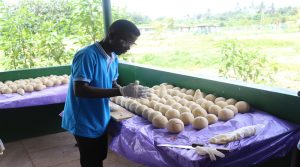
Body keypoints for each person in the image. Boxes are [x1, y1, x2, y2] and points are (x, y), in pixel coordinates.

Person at [62, 19, 148, 167]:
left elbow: (112, 83)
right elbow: (80, 89)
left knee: (99, 155)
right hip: (83, 118)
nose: (128, 47)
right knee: (91, 160)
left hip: (100, 116)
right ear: (112, 35)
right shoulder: (87, 55)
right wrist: (120, 91)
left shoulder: (113, 58)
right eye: (126, 42)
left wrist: (125, 89)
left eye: (132, 43)